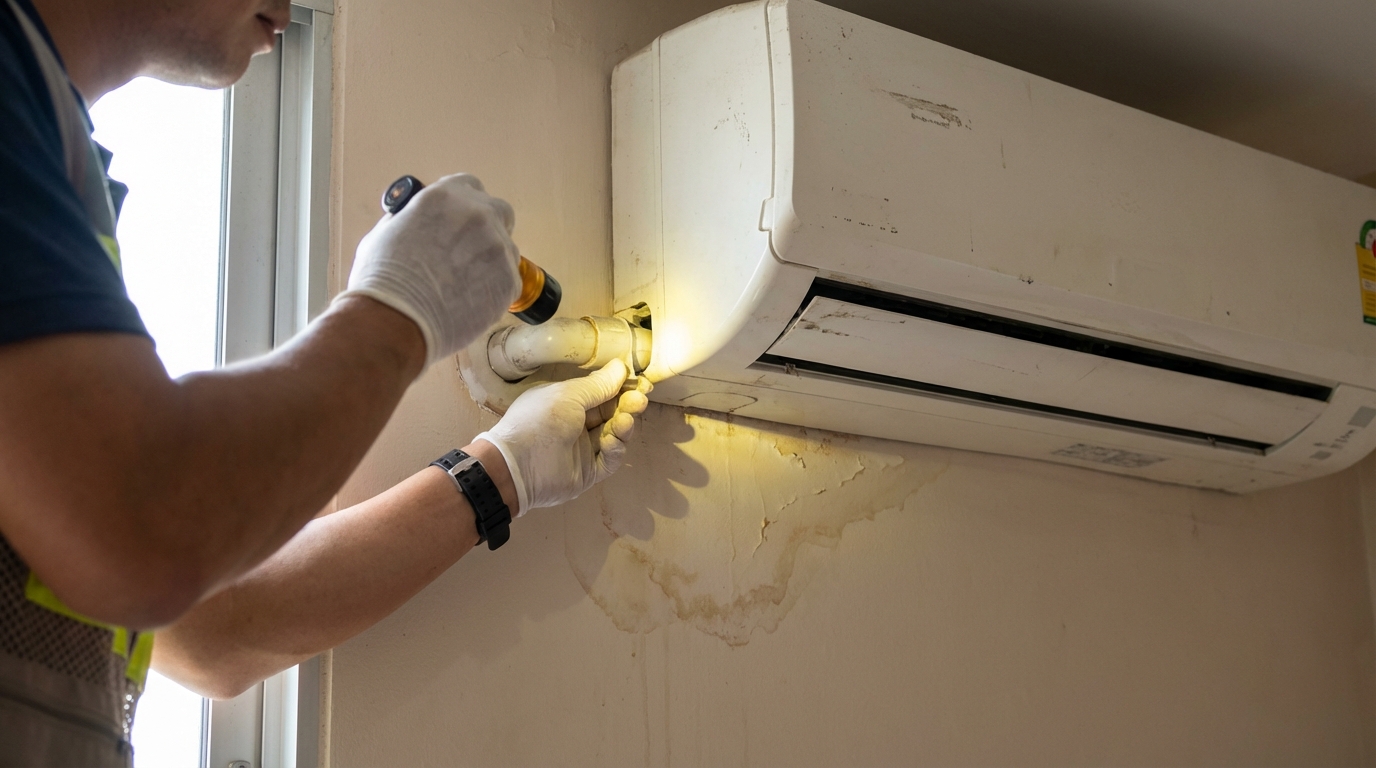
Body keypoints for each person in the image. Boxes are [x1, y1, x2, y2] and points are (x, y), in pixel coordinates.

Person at [0, 0, 653, 764]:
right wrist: (399, 307)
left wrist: (504, 470)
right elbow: (147, 536)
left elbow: (214, 629)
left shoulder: (51, 156)